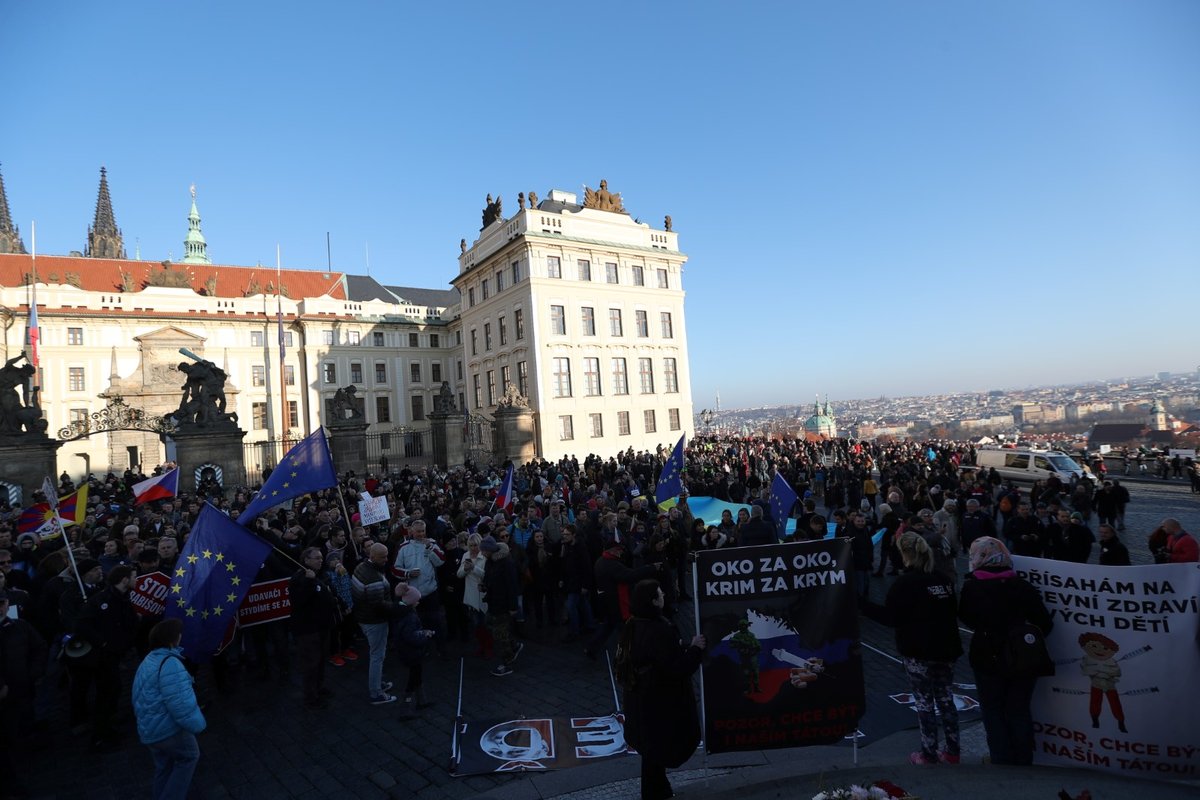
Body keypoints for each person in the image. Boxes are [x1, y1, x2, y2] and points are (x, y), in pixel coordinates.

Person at [958, 537, 1053, 766]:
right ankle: (1023, 758)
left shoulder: (973, 587)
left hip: (987, 656)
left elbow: (966, 617)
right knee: (1019, 709)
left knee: (992, 709)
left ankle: (1000, 759)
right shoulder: (1021, 585)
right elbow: (1045, 623)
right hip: (1023, 657)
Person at [873, 533, 962, 764]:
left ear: (905, 554)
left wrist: (861, 604)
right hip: (946, 647)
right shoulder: (942, 579)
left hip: (918, 650)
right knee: (946, 698)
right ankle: (953, 750)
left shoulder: (905, 583)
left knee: (924, 701)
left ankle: (928, 751)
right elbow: (954, 611)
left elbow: (890, 617)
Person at [615, 579, 705, 800]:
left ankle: (659, 790)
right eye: (660, 593)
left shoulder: (633, 624)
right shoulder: (659, 630)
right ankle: (656, 793)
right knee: (655, 751)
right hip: (658, 704)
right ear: (653, 601)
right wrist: (695, 650)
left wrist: (681, 645)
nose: (664, 594)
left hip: (639, 701)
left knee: (650, 753)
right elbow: (677, 668)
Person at [132, 618, 206, 800]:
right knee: (189, 757)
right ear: (172, 639)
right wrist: (198, 725)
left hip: (150, 729)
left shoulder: (148, 660)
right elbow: (181, 705)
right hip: (168, 730)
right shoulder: (171, 664)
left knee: (164, 767)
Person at [289, 547, 340, 709]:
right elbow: (299, 602)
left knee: (321, 661)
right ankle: (310, 697)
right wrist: (310, 582)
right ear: (306, 560)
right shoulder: (298, 579)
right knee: (311, 664)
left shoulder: (319, 574)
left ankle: (319, 687)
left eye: (321, 557)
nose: (320, 560)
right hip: (308, 630)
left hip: (322, 626)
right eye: (316, 558)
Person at [351, 543, 398, 704]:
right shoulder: (373, 578)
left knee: (376, 653)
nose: (386, 559)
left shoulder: (361, 567)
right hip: (374, 621)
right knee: (377, 655)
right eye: (383, 556)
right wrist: (399, 607)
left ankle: (377, 683)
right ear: (372, 556)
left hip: (363, 617)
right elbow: (379, 605)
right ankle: (376, 692)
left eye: (386, 555)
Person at [481, 536, 521, 676]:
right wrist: (484, 586)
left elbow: (512, 585)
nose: (482, 553)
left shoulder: (506, 563)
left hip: (503, 603)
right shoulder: (490, 561)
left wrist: (513, 606)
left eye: (483, 550)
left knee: (500, 633)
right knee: (489, 623)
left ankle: (507, 662)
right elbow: (488, 578)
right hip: (493, 601)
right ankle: (514, 645)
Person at [393, 585, 435, 718]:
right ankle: (405, 708)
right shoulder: (409, 616)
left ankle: (421, 700)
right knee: (414, 678)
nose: (418, 602)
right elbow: (412, 637)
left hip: (407, 651)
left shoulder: (400, 611)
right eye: (417, 600)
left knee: (416, 675)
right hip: (412, 653)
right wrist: (425, 634)